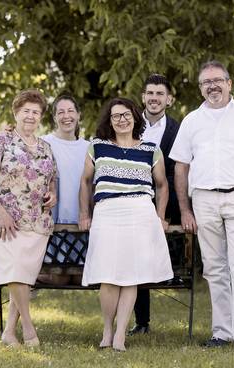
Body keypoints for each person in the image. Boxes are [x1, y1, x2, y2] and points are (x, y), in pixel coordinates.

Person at [169, 61, 234, 351]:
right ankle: (221, 331)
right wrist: (185, 209)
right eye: (206, 82)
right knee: (214, 268)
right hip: (203, 199)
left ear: (230, 83)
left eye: (217, 80)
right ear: (200, 88)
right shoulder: (192, 120)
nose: (212, 86)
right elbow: (181, 168)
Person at [78, 97, 173, 351]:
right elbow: (86, 182)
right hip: (107, 212)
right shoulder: (96, 146)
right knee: (108, 276)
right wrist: (84, 214)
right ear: (109, 121)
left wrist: (160, 216)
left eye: (126, 115)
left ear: (135, 117)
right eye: (116, 116)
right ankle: (107, 330)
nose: (122, 120)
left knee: (131, 276)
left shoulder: (151, 149)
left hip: (140, 213)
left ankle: (120, 335)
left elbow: (162, 185)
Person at [0, 89, 57, 348]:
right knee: (15, 273)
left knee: (21, 278)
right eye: (26, 111)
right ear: (16, 112)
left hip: (37, 223)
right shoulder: (2, 141)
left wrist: (52, 195)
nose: (31, 116)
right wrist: (1, 213)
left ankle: (9, 333)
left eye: (36, 112)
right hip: (6, 223)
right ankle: (29, 329)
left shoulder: (46, 146)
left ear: (41, 116)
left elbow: (51, 180)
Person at [129, 74, 181, 336]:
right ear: (143, 97)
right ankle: (142, 321)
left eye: (160, 94)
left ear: (168, 99)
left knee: (164, 260)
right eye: (150, 93)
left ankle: (176, 277)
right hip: (133, 202)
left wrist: (170, 211)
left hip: (168, 205)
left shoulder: (179, 129)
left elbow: (180, 172)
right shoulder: (129, 125)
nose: (154, 98)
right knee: (135, 259)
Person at [39, 95, 90, 284]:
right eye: (61, 112)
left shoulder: (89, 147)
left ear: (78, 115)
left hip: (81, 222)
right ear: (54, 117)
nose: (66, 116)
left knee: (79, 278)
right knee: (59, 278)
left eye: (70, 111)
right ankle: (25, 280)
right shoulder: (43, 143)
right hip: (54, 223)